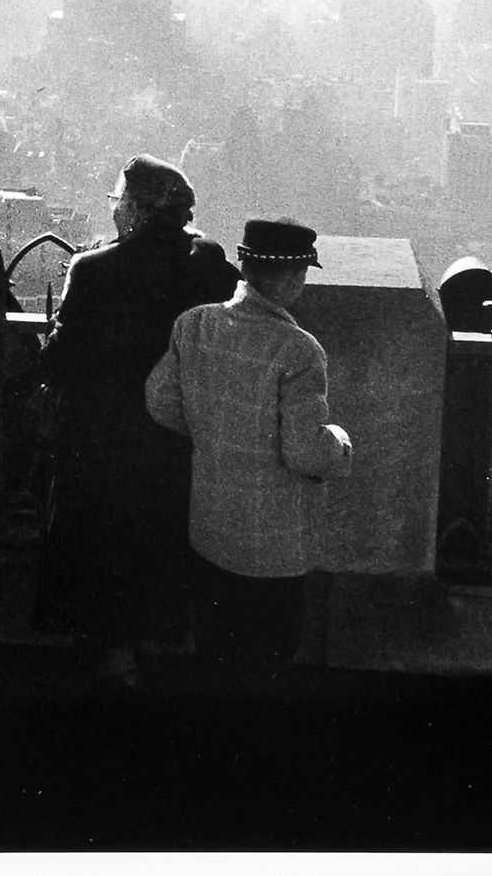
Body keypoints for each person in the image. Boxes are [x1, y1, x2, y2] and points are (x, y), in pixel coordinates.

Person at [30, 154, 238, 687]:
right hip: (173, 436)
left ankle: (115, 661)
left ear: (135, 209)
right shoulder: (209, 263)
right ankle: (160, 648)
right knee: (159, 541)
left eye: (118, 202)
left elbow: (63, 357)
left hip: (102, 439)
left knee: (106, 548)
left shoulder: (95, 270)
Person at [144, 217, 353, 679]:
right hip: (271, 547)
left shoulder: (194, 325)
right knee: (268, 661)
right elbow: (303, 451)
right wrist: (340, 445)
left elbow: (160, 402)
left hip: (209, 532)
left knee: (215, 654)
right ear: (295, 276)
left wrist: (213, 428)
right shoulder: (299, 351)